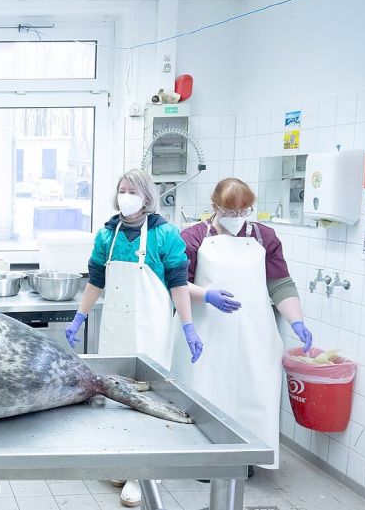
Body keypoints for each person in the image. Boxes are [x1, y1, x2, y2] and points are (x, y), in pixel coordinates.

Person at [63, 169, 200, 508]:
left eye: (132, 190)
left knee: (149, 402)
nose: (126, 195)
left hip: (151, 333)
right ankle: (122, 462)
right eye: (121, 189)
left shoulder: (165, 234)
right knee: (114, 396)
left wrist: (188, 325)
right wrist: (80, 316)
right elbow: (96, 280)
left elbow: (178, 285)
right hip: (115, 331)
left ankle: (143, 473)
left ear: (146, 196)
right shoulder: (107, 235)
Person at [174, 178, 312, 473]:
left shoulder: (265, 237)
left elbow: (279, 283)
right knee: (207, 392)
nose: (238, 218)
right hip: (206, 332)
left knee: (254, 392)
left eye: (244, 211)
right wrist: (207, 296)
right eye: (230, 211)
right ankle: (203, 461)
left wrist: (296, 320)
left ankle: (245, 457)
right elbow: (176, 284)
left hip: (254, 334)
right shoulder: (194, 237)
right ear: (215, 207)